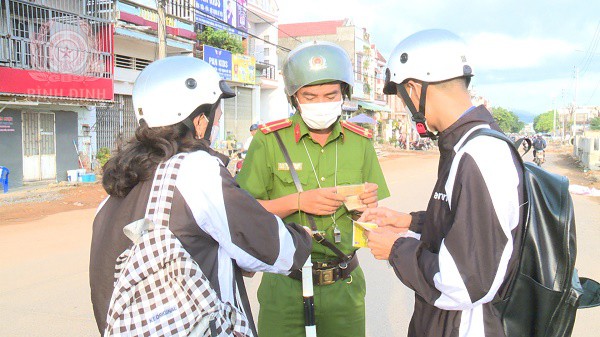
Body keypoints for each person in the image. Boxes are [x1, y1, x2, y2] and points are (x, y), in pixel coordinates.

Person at [89, 56, 312, 335]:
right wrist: (302, 237)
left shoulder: (113, 196)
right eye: (217, 113)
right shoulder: (195, 170)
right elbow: (277, 251)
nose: (218, 120)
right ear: (200, 121)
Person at [360, 29, 525, 337]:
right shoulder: (466, 145)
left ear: (413, 88)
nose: (408, 110)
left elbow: (463, 282)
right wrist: (407, 222)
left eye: (402, 97)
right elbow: (464, 227)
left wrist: (395, 248)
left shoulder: (479, 154)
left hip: (464, 327)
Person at [236, 41, 390, 337]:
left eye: (330, 95)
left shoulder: (360, 143)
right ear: (294, 97)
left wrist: (367, 209)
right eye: (310, 95)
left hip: (344, 288)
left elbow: (373, 221)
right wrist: (297, 201)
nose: (321, 102)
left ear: (343, 94)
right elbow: (244, 212)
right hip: (284, 286)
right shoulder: (269, 141)